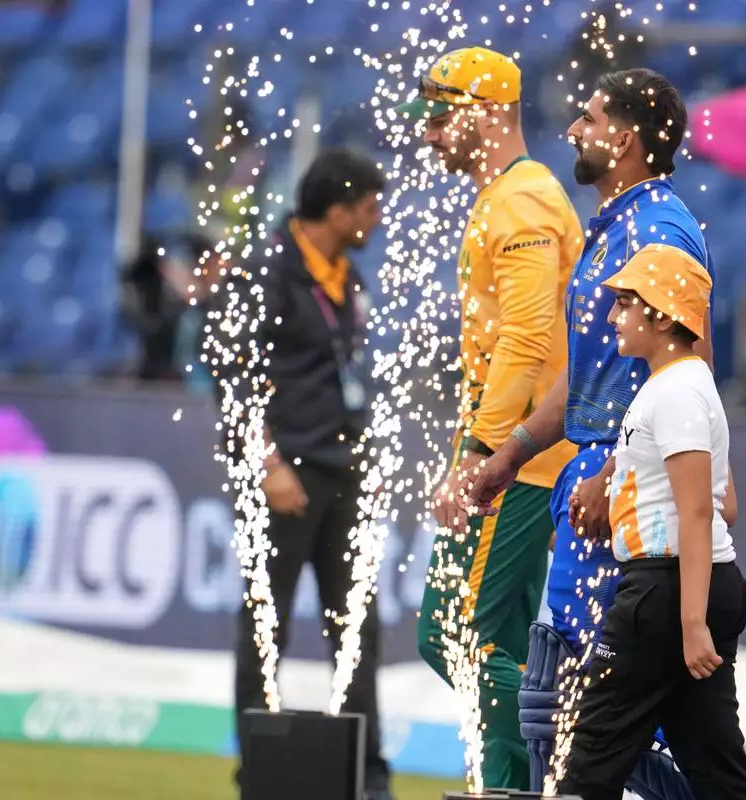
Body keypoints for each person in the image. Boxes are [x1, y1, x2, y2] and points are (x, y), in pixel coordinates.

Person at [464, 69, 718, 797]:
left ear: (627, 138)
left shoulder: (660, 232)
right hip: (594, 474)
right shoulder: (613, 229)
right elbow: (585, 375)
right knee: (563, 703)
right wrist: (512, 455)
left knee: (584, 707)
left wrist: (624, 475)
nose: (573, 128)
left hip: (631, 490)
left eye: (589, 116)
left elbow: (689, 372)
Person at [396, 46, 583, 791]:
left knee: (450, 634)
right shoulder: (508, 196)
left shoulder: (524, 201)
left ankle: (587, 753)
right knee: (503, 638)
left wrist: (478, 455)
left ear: (489, 112)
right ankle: (507, 787)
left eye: (441, 117)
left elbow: (529, 336)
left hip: (516, 464)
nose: (430, 134)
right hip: (523, 459)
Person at [215, 148, 393, 800]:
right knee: (267, 626)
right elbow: (233, 383)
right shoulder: (263, 273)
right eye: (370, 207)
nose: (377, 219)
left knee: (357, 630)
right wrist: (267, 464)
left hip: (344, 472)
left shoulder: (351, 278)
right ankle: (257, 774)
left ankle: (367, 779)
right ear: (338, 210)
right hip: (284, 475)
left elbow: (348, 379)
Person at [554, 244, 746, 800]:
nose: (613, 317)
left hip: (666, 593)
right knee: (716, 768)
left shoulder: (675, 393)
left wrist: (691, 623)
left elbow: (699, 511)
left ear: (664, 315)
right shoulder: (686, 387)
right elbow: (724, 504)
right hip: (691, 587)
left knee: (590, 758)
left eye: (625, 303)